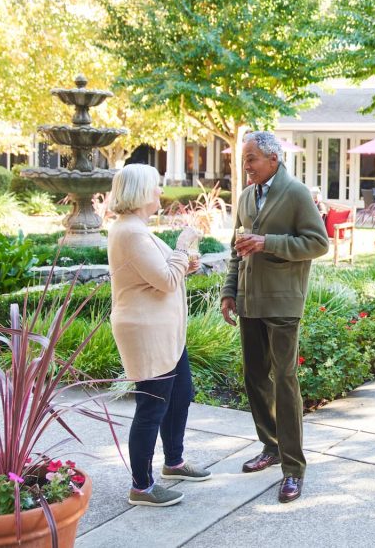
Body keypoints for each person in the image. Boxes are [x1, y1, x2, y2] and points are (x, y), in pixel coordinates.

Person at [220, 131, 329, 504]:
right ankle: (269, 446)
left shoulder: (296, 193)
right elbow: (236, 250)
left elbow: (318, 243)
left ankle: (293, 468)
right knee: (255, 379)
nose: (246, 166)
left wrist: (268, 243)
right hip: (250, 302)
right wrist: (228, 291)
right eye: (244, 159)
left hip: (283, 303)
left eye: (251, 158)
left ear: (273, 159)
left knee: (284, 381)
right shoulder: (246, 197)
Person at [108, 164, 211, 508]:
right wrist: (182, 247)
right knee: (151, 407)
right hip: (146, 332)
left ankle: (174, 462)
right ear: (139, 192)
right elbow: (166, 280)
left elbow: (164, 270)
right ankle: (142, 486)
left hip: (165, 332)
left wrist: (184, 262)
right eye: (155, 187)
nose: (159, 193)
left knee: (181, 393)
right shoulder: (130, 232)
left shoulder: (136, 229)